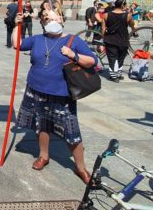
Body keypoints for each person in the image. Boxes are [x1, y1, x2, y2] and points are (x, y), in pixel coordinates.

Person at [12, 12, 98, 184]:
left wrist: (73, 55)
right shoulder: (37, 39)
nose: (52, 22)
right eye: (48, 19)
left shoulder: (74, 40)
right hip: (36, 90)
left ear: (62, 20)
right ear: (43, 23)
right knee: (41, 125)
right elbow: (17, 45)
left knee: (71, 131)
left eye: (55, 18)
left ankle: (80, 167)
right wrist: (16, 25)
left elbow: (92, 61)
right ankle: (43, 156)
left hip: (62, 94)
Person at [101, 0, 135, 82]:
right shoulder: (128, 15)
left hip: (110, 39)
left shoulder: (106, 15)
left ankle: (114, 76)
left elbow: (103, 29)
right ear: (123, 5)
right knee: (121, 57)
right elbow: (132, 25)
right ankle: (118, 74)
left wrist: (103, 38)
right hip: (123, 39)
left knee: (112, 57)